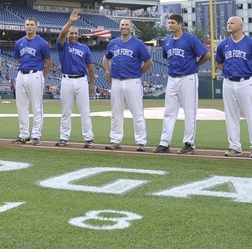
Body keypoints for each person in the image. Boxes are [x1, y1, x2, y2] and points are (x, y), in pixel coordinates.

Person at [155, 14, 210, 154]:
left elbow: (206, 54)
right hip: (172, 78)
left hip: (188, 77)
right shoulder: (167, 40)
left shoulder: (190, 38)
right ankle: (164, 143)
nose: (170, 25)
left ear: (180, 24)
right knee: (169, 112)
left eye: (173, 22)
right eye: (169, 22)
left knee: (189, 111)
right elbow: (167, 57)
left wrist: (196, 65)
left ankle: (189, 143)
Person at [215, 16, 252, 158]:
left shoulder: (251, 43)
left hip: (246, 81)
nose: (229, 25)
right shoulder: (223, 44)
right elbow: (219, 62)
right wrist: (226, 72)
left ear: (240, 26)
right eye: (227, 23)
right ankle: (234, 147)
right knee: (231, 116)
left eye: (232, 23)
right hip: (228, 82)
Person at [103, 18, 152, 151]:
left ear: (131, 28)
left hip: (132, 80)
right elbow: (106, 58)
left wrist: (139, 73)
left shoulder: (138, 43)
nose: (124, 27)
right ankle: (115, 140)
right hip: (117, 81)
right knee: (116, 112)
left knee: (137, 112)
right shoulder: (113, 43)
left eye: (126, 25)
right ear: (119, 27)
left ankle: (141, 142)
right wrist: (107, 71)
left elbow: (149, 61)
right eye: (122, 25)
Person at [54, 10, 96, 147]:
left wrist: (91, 84)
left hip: (81, 80)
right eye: (71, 33)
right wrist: (71, 22)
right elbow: (61, 34)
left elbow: (90, 67)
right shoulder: (63, 45)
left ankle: (88, 138)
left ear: (78, 35)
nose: (73, 35)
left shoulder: (84, 48)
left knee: (85, 110)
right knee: (66, 110)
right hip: (66, 79)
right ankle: (64, 137)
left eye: (75, 33)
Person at [11, 18, 52, 146]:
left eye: (31, 25)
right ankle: (24, 134)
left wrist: (42, 76)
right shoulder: (19, 42)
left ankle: (36, 135)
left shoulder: (42, 43)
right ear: (24, 27)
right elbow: (17, 59)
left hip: (35, 74)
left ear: (36, 27)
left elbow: (49, 62)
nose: (29, 27)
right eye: (27, 25)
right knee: (21, 106)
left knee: (36, 106)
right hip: (21, 74)